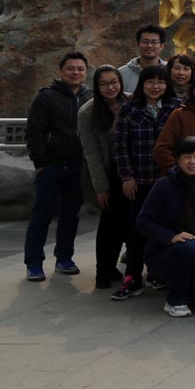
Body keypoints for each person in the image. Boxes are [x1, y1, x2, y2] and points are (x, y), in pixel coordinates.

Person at [136, 136, 195, 317]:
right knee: (189, 246)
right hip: (166, 250)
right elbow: (143, 221)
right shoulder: (164, 185)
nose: (192, 162)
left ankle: (186, 284)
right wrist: (171, 237)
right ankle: (175, 300)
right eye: (187, 156)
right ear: (177, 159)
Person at [23, 52, 92, 282]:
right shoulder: (46, 97)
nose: (75, 72)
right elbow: (33, 130)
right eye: (70, 68)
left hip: (77, 166)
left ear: (86, 72)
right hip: (51, 166)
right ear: (61, 71)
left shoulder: (89, 97)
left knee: (70, 215)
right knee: (41, 215)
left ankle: (64, 258)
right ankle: (34, 263)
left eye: (80, 69)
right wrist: (40, 162)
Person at [112, 65, 178, 301]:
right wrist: (127, 176)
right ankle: (132, 277)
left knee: (165, 229)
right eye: (150, 82)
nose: (155, 86)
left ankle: (158, 272)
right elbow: (120, 145)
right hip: (139, 181)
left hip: (167, 182)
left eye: (160, 82)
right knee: (136, 230)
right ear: (142, 84)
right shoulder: (129, 108)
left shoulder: (175, 107)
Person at [78, 64, 127, 289]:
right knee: (109, 222)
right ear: (97, 87)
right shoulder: (88, 112)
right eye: (104, 84)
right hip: (107, 173)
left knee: (125, 222)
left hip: (130, 171)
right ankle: (102, 270)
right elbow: (92, 153)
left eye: (114, 82)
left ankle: (113, 266)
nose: (110, 87)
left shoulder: (131, 102)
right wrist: (101, 187)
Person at [118, 24, 168, 91]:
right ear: (138, 44)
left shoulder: (169, 71)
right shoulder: (121, 74)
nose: (149, 46)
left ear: (161, 46)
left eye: (154, 42)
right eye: (145, 42)